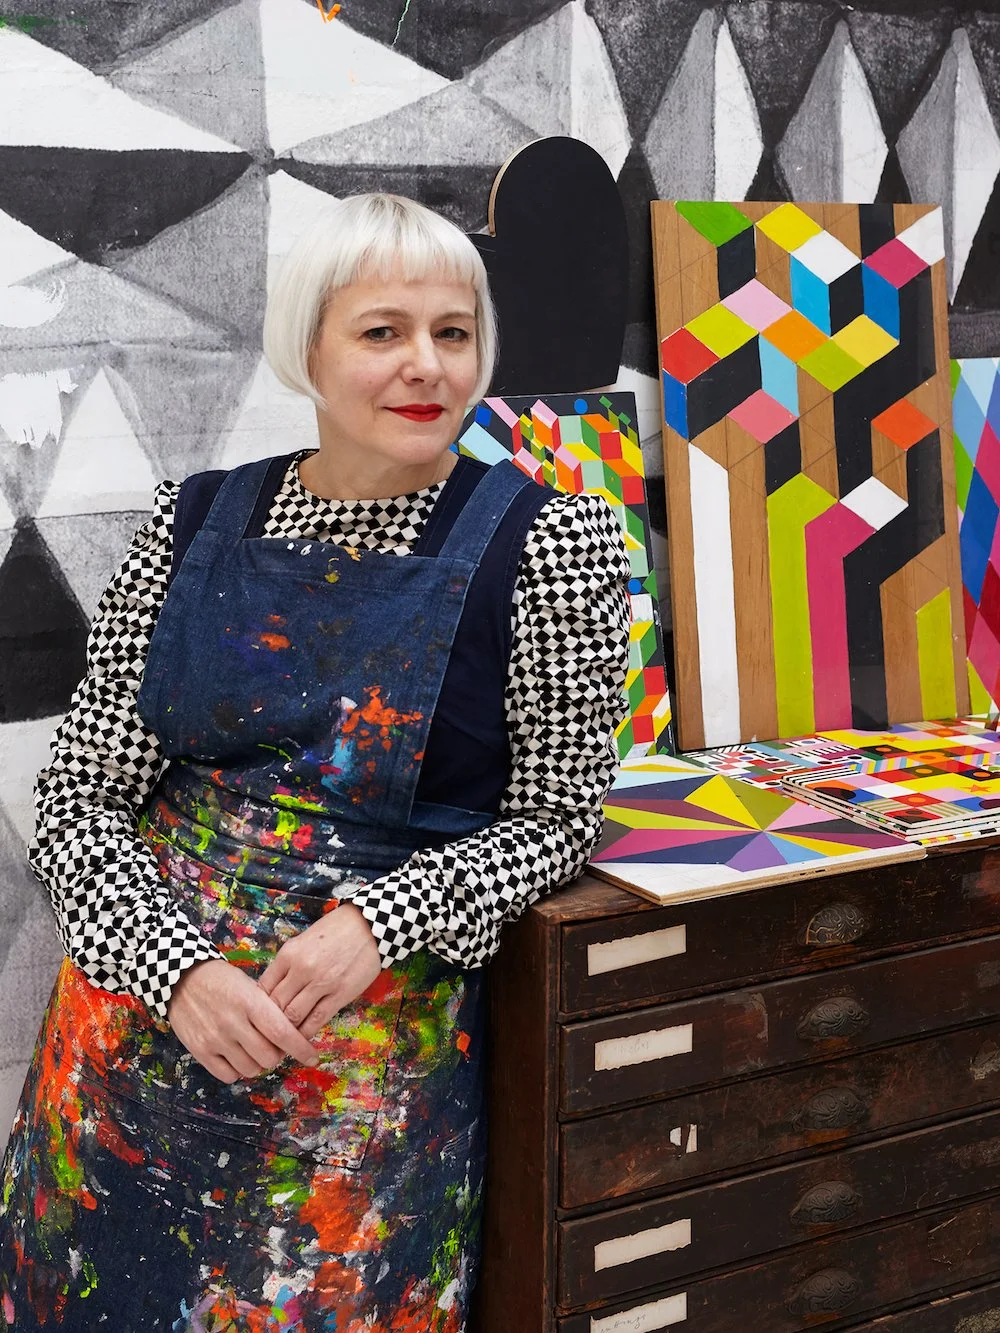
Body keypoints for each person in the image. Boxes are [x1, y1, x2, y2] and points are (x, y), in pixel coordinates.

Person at [0, 193, 631, 1331]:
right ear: (309, 348)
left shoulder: (550, 544)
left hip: (357, 1105)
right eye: (382, 331)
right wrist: (174, 969)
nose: (425, 365)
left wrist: (381, 919)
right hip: (126, 1068)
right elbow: (80, 792)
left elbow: (558, 815)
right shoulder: (195, 523)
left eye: (453, 331)